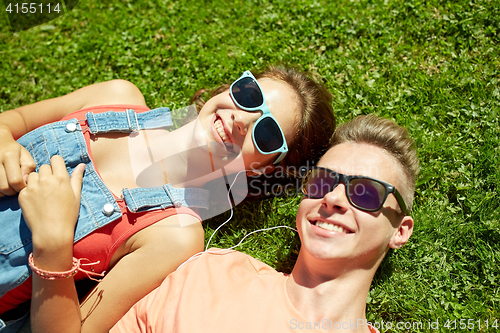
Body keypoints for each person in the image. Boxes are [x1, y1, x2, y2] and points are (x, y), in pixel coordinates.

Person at [0, 67, 337, 332]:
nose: (241, 118)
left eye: (266, 133)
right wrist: (4, 142)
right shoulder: (116, 94)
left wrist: (52, 246)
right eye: (248, 95)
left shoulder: (174, 234)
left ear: (262, 169)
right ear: (228, 88)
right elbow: (12, 121)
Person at [109, 114, 419, 332]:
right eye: (322, 181)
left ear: (400, 231)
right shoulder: (209, 276)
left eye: (365, 193)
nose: (334, 198)